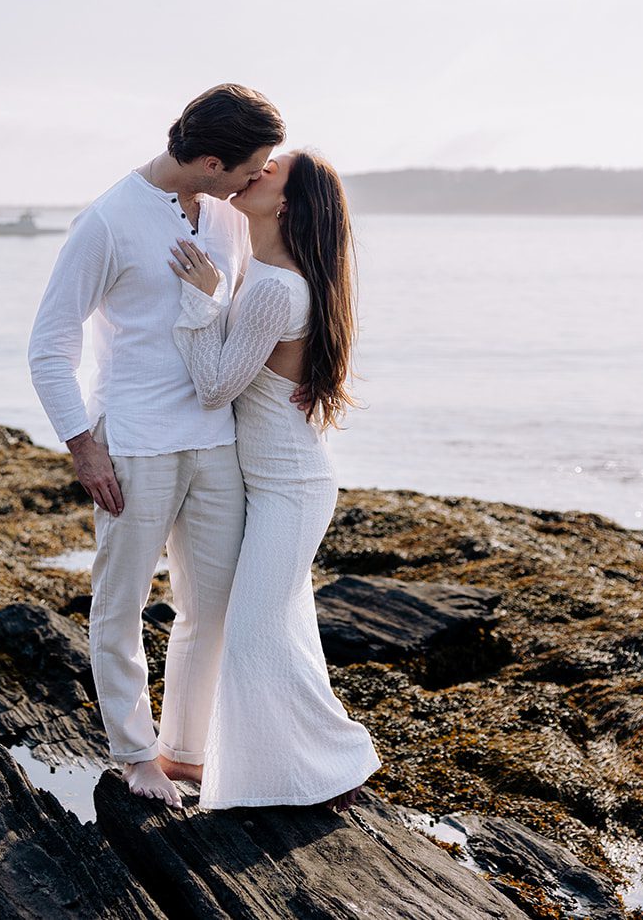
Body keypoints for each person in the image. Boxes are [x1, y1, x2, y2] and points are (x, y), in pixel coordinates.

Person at [27, 84, 284, 807]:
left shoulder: (230, 219)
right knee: (121, 604)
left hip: (217, 442)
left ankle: (187, 751)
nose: (254, 180)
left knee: (213, 608)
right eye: (247, 168)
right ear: (208, 160)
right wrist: (84, 447)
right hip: (134, 444)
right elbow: (50, 345)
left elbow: (230, 324)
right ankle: (137, 756)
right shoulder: (107, 221)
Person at [167, 148, 381, 813]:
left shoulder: (274, 288)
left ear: (286, 205)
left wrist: (199, 301)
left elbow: (213, 386)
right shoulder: (261, 270)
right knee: (281, 630)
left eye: (269, 172)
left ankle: (338, 763)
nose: (252, 173)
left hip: (290, 486)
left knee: (255, 633)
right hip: (272, 484)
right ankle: (293, 771)